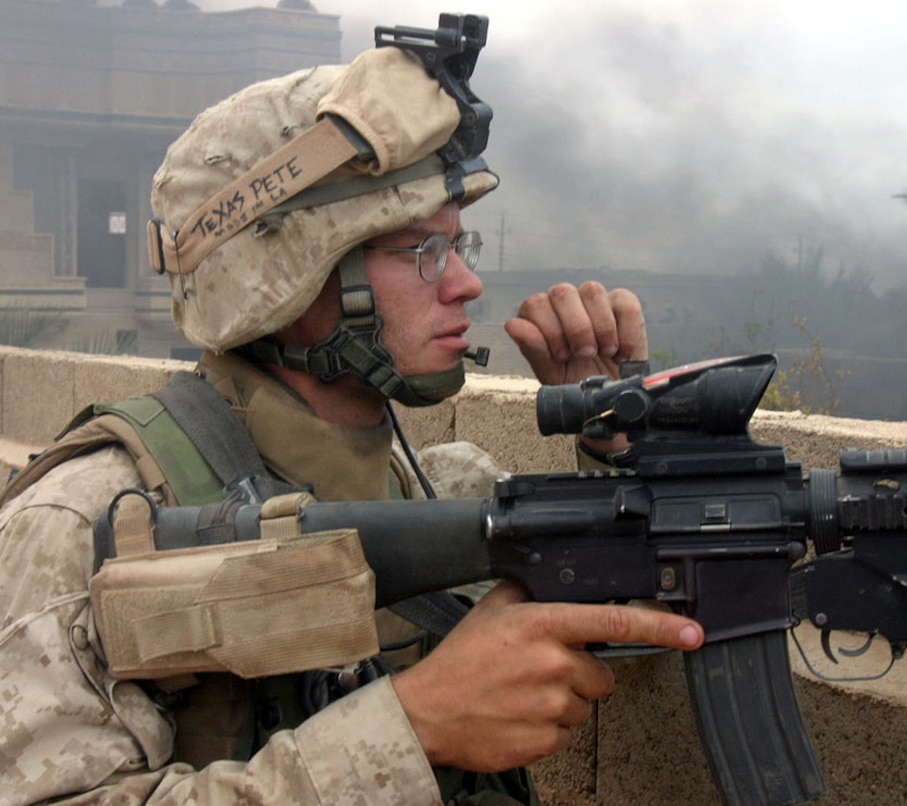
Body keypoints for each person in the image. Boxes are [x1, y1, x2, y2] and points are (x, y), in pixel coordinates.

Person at [0, 38, 704, 805]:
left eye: (458, 243)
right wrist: (409, 731)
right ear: (288, 275)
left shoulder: (442, 489)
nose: (467, 284)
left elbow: (657, 613)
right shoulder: (87, 521)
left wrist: (615, 442)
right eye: (422, 251)